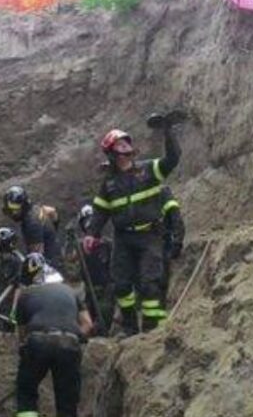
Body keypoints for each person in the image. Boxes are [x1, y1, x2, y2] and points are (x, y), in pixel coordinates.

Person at [84, 117, 181, 334]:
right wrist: (92, 233)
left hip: (150, 236)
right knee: (121, 285)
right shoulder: (108, 183)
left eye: (126, 142)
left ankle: (150, 329)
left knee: (149, 284)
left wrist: (168, 131)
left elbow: (173, 159)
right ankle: (129, 327)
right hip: (123, 238)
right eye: (120, 144)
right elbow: (100, 211)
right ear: (112, 152)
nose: (126, 146)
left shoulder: (148, 169)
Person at [12, 254, 92, 417]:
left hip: (38, 340)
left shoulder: (26, 295)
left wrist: (25, 353)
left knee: (26, 392)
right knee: (67, 402)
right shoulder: (71, 291)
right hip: (70, 344)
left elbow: (22, 334)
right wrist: (75, 339)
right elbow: (87, 324)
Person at [3, 185, 62, 269]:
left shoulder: (31, 224)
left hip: (50, 268)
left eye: (15, 209)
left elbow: (37, 258)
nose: (13, 213)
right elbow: (52, 212)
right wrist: (54, 230)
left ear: (23, 205)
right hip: (55, 256)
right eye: (10, 209)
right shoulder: (36, 209)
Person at [75, 204, 113, 335]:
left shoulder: (107, 245)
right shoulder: (79, 247)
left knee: (104, 319)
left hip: (106, 290)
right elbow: (72, 271)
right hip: (88, 291)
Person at [158, 187, 186, 303]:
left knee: (160, 280)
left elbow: (176, 219)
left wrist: (177, 242)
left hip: (161, 242)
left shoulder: (163, 193)